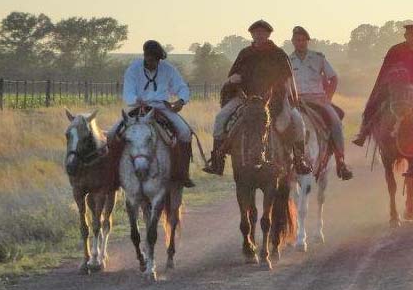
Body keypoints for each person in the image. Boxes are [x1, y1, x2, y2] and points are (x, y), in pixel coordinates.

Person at [203, 20, 310, 176]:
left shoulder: (278, 54)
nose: (259, 35)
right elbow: (233, 75)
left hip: (275, 99)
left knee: (298, 122)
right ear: (252, 34)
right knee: (220, 118)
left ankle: (299, 160)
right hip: (246, 98)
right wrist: (233, 79)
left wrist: (289, 97)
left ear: (268, 34)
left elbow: (287, 79)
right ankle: (218, 160)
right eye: (256, 33)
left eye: (262, 33)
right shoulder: (245, 54)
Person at [109, 40, 195, 187]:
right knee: (112, 134)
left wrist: (180, 102)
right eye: (151, 59)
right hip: (138, 108)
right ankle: (113, 177)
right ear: (145, 55)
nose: (154, 63)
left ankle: (183, 173)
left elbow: (181, 87)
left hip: (162, 107)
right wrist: (137, 100)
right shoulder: (133, 69)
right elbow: (128, 93)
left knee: (185, 132)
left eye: (157, 60)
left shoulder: (168, 69)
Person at [290, 26, 354, 181]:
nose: (301, 43)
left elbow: (333, 77)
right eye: (297, 40)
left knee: (336, 122)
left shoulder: (318, 58)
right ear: (293, 42)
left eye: (303, 40)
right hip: (297, 101)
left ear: (307, 41)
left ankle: (341, 161)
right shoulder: (288, 61)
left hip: (318, 99)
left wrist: (328, 97)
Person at [352, 23, 413, 147]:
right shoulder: (395, 50)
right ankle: (364, 132)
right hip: (395, 87)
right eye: (411, 35)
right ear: (406, 36)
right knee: (374, 103)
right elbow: (386, 70)